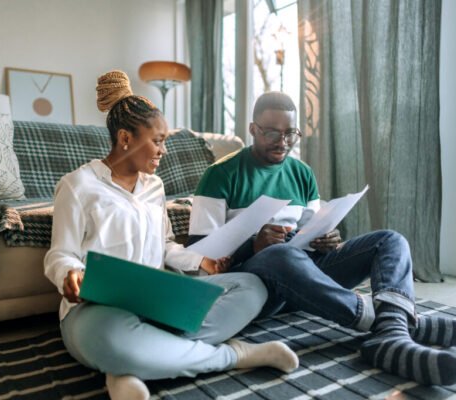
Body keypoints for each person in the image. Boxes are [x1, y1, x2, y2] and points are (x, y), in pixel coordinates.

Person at [44, 74, 299, 400]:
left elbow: (164, 245)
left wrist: (201, 261)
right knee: (106, 337)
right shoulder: (78, 185)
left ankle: (128, 365)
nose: (163, 151)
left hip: (158, 302)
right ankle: (234, 356)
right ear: (125, 138)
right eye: (158, 141)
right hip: (98, 309)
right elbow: (59, 253)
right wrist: (69, 274)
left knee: (251, 287)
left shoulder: (154, 187)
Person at [188, 92, 456, 386]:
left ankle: (392, 334)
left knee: (390, 240)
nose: (282, 142)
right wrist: (253, 246)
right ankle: (390, 321)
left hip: (307, 277)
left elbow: (313, 229)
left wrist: (329, 238)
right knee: (280, 255)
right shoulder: (220, 175)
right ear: (253, 129)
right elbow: (199, 260)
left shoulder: (301, 172)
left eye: (290, 133)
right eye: (272, 132)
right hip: (260, 286)